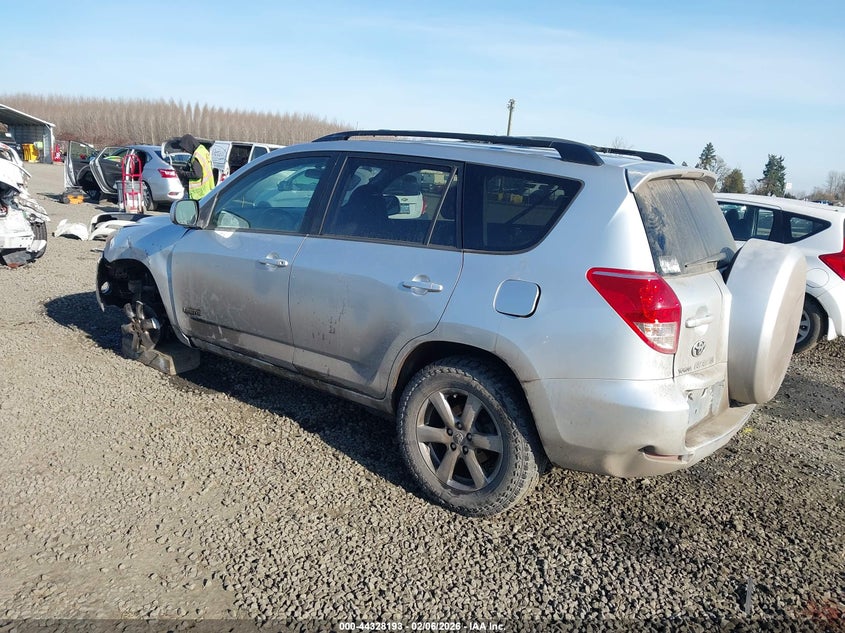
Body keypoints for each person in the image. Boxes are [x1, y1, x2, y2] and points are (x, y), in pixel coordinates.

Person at [179, 134, 214, 200]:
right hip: (208, 189)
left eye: (184, 149)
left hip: (199, 193)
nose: (185, 151)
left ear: (188, 145)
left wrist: (183, 173)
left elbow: (197, 174)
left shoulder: (196, 156)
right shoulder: (203, 150)